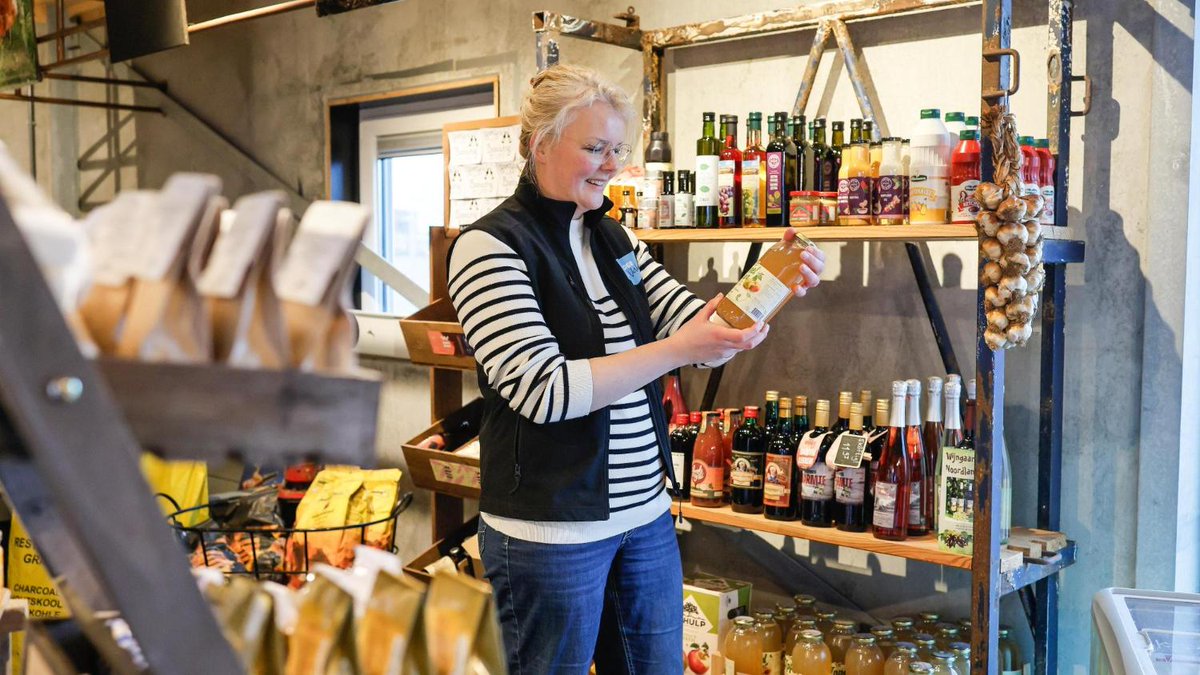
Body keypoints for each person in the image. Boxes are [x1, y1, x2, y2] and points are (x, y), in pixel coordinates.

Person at [446, 64, 825, 674]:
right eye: (594, 148)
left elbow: (697, 329)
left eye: (616, 149)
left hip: (644, 519)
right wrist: (682, 347)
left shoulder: (616, 241)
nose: (611, 164)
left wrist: (772, 283)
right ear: (541, 145)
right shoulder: (490, 246)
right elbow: (544, 390)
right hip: (551, 533)